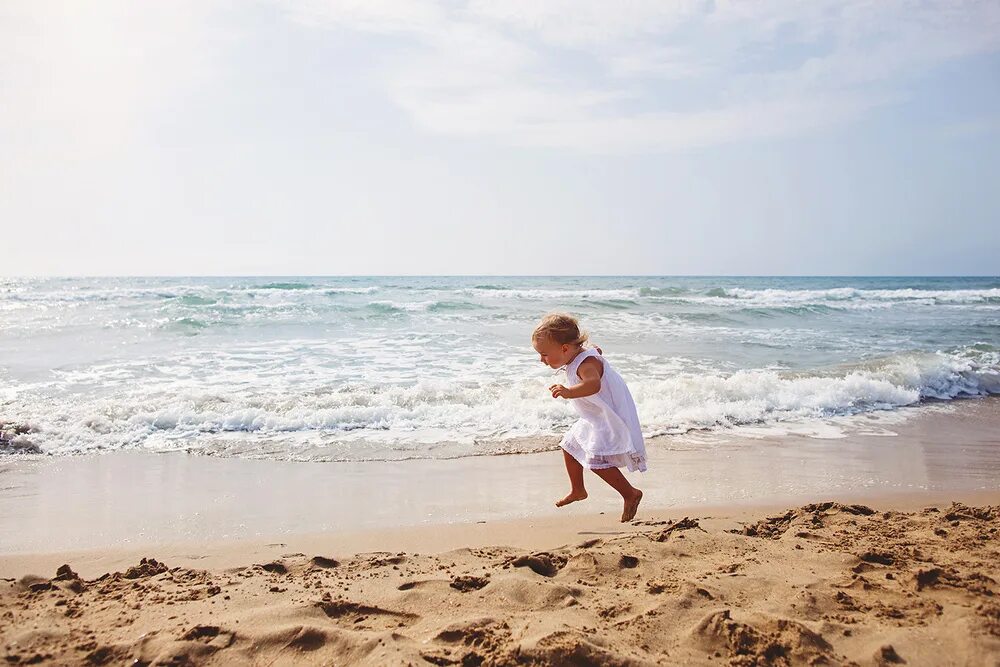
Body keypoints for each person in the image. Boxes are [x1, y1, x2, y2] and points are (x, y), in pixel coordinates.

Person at [531, 313, 646, 522]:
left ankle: (630, 493)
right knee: (569, 445)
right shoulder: (579, 354)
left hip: (607, 418)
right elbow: (595, 350)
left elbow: (593, 384)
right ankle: (578, 490)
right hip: (594, 416)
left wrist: (568, 391)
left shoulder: (586, 364)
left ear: (565, 348)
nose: (542, 360)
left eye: (545, 354)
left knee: (596, 460)